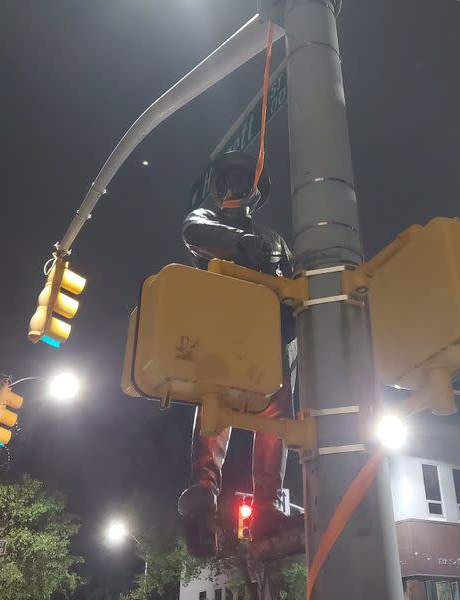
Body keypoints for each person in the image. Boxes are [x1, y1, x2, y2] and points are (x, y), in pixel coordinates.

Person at [177, 151, 296, 557]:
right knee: (215, 404)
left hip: (267, 343)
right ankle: (203, 493)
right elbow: (194, 232)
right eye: (230, 181)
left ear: (254, 193)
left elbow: (294, 285)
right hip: (224, 333)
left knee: (276, 417)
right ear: (220, 188)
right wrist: (240, 244)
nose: (237, 188)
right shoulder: (204, 220)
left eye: (245, 182)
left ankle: (267, 507)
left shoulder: (276, 240)